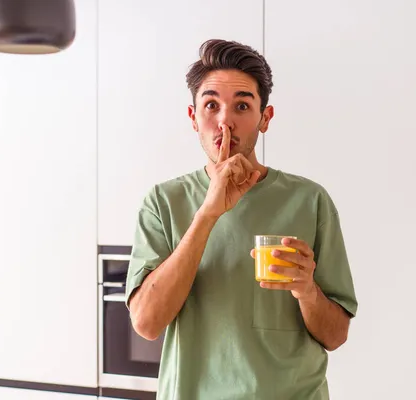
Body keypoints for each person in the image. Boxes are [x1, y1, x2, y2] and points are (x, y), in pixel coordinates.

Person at [125, 38, 358, 400]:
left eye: (242, 106)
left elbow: (336, 335)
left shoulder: (310, 201)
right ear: (193, 118)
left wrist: (307, 290)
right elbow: (147, 323)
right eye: (211, 105)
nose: (225, 122)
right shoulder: (162, 203)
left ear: (265, 118)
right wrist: (208, 213)